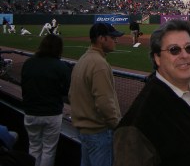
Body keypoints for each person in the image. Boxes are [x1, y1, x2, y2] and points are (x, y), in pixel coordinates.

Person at [113, 19, 190, 166]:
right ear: (157, 58)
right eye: (174, 50)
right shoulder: (138, 123)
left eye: (189, 48)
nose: (184, 55)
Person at [69, 23, 124, 166]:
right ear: (101, 39)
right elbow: (104, 103)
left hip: (84, 131)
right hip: (99, 132)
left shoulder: (83, 59)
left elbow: (71, 95)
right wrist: (117, 126)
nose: (116, 40)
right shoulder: (99, 64)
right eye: (112, 37)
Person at [21, 34, 71, 166]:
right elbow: (67, 91)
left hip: (31, 112)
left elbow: (24, 86)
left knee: (33, 147)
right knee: (49, 150)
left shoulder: (28, 63)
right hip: (51, 113)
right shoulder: (60, 66)